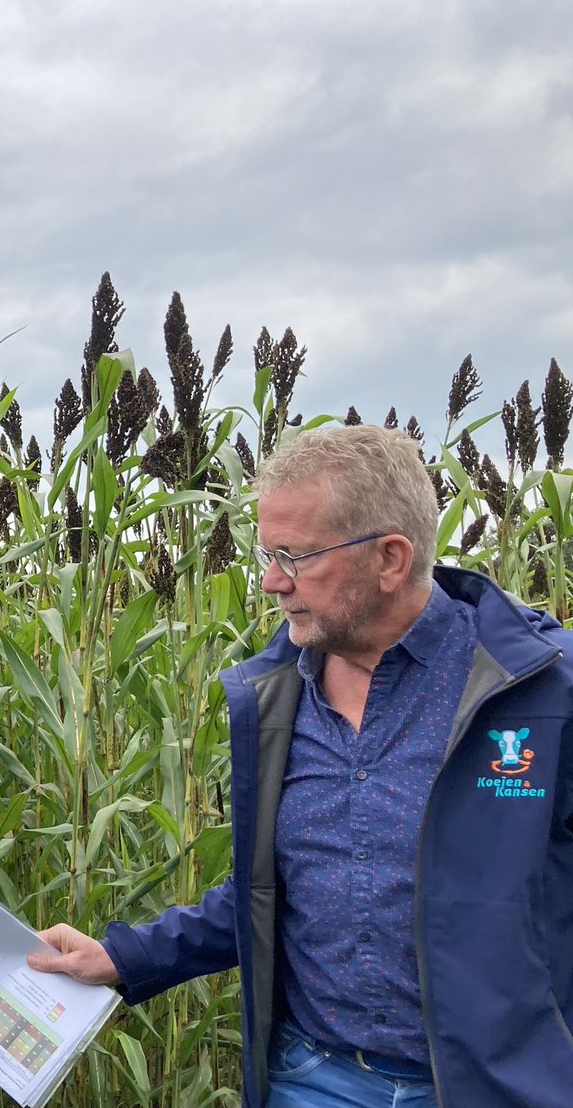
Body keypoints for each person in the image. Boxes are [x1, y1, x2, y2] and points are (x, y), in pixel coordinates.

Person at [28, 424, 573, 1108]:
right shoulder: (273, 697)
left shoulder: (540, 688)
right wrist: (122, 957)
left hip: (493, 1087)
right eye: (267, 553)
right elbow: (273, 894)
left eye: (293, 555)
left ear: (391, 558)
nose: (269, 579)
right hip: (316, 1080)